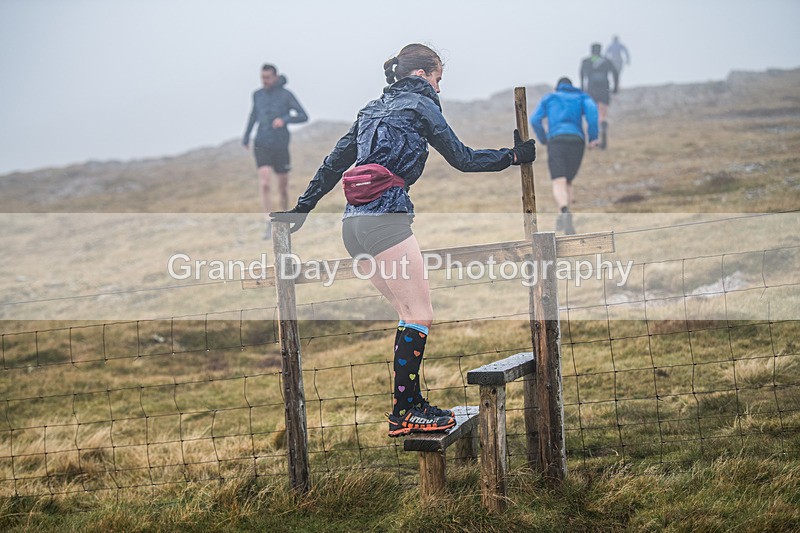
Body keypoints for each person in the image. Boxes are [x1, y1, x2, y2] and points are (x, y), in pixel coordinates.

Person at [270, 44, 536, 437]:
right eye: (439, 79)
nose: (440, 90)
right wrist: (512, 157)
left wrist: (301, 209)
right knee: (419, 314)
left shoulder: (369, 110)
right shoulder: (421, 107)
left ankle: (407, 407)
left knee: (408, 314)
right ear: (423, 74)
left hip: (352, 228)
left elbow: (333, 164)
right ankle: (407, 410)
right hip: (386, 222)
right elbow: (462, 159)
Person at [243, 64, 308, 239]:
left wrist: (284, 120)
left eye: (267, 78)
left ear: (275, 77)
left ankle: (283, 218)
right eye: (262, 77)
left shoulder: (286, 95)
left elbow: (303, 115)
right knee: (264, 182)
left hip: (280, 144)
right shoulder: (257, 95)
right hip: (261, 142)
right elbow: (253, 115)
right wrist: (246, 137)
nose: (264, 81)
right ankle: (267, 221)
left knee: (283, 188)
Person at [530, 77, 599, 235]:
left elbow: (535, 119)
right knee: (568, 180)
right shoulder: (581, 97)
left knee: (558, 181)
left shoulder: (550, 97)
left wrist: (544, 139)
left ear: (558, 86)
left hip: (557, 141)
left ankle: (564, 210)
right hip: (577, 141)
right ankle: (565, 216)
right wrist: (593, 137)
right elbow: (593, 114)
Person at [580, 43, 618, 149]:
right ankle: (603, 126)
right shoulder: (606, 61)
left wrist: (583, 88)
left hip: (591, 90)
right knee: (603, 114)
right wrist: (615, 87)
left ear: (591, 50)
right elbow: (615, 73)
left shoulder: (586, 61)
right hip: (604, 90)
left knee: (592, 114)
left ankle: (593, 141)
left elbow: (582, 75)